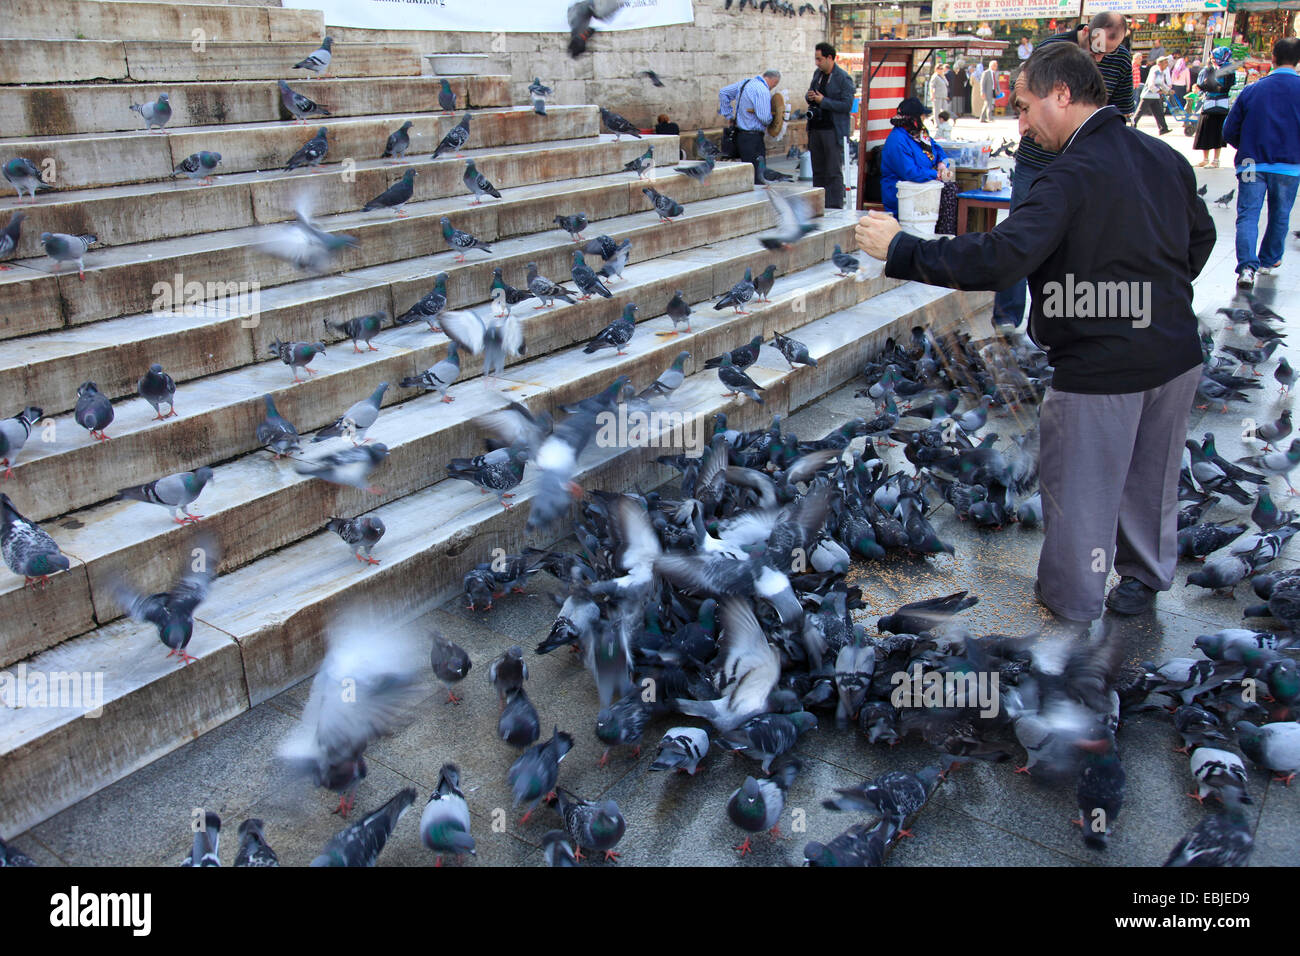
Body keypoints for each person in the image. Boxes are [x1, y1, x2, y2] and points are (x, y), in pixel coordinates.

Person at [856, 43, 1215, 623]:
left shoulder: (1068, 175)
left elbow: (1001, 259)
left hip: (1101, 369)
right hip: (1176, 354)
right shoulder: (1163, 156)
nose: (1020, 122)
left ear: (1063, 94)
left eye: (1024, 107)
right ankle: (1143, 580)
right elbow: (1200, 242)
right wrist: (1155, 296)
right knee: (1152, 478)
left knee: (1080, 493)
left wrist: (903, 249)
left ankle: (1073, 605)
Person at [989, 11, 1135, 329]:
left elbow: (1123, 108)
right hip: (1036, 160)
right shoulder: (1054, 48)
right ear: (1086, 31)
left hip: (1084, 163)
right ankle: (1007, 319)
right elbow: (1020, 92)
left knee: (1076, 244)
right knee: (1019, 237)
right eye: (1095, 50)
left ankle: (1059, 322)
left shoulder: (1120, 60)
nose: (1099, 57)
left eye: (1107, 52)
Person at [1223, 37, 1300, 290]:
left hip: (1250, 163)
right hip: (1290, 166)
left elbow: (1229, 130)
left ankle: (1246, 268)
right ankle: (1269, 260)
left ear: (1273, 58)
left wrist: (1246, 147)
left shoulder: (1252, 90)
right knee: (1280, 214)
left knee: (1248, 214)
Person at [879, 97, 957, 234]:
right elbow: (911, 173)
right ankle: (938, 238)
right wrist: (936, 175)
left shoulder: (919, 133)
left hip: (921, 186)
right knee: (947, 193)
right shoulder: (897, 140)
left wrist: (942, 164)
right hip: (902, 192)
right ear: (915, 118)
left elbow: (937, 149)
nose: (924, 119)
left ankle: (943, 238)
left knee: (952, 188)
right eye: (923, 116)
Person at [805, 42, 855, 209]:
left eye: (820, 59)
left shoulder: (843, 78)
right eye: (816, 59)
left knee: (833, 170)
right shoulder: (817, 75)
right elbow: (811, 94)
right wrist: (810, 97)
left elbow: (846, 106)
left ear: (830, 58)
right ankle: (818, 204)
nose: (817, 63)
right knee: (818, 170)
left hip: (832, 130)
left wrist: (823, 101)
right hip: (816, 129)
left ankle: (834, 205)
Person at [719, 69, 781, 185]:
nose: (772, 88)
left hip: (740, 136)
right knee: (758, 176)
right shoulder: (762, 90)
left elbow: (723, 92)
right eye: (774, 85)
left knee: (748, 173)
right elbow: (764, 117)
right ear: (774, 81)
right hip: (754, 139)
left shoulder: (745, 83)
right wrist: (775, 119)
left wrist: (730, 115)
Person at [1193, 46, 1236, 168]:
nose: (1212, 60)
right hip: (1209, 103)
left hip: (1220, 104)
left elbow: (1225, 87)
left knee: (1217, 132)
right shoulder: (1212, 69)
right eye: (1211, 58)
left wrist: (1208, 85)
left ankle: (1216, 160)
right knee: (1204, 130)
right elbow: (1205, 84)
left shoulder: (1229, 70)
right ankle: (1205, 158)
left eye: (1214, 58)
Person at [1133, 54, 1171, 134]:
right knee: (1140, 112)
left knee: (1159, 113)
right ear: (1160, 64)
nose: (1167, 64)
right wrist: (1158, 91)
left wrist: (1168, 90)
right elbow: (1151, 84)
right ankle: (1133, 125)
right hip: (1147, 95)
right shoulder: (1155, 71)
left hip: (1155, 96)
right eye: (1165, 63)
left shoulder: (1161, 72)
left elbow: (1161, 83)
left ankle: (1163, 128)